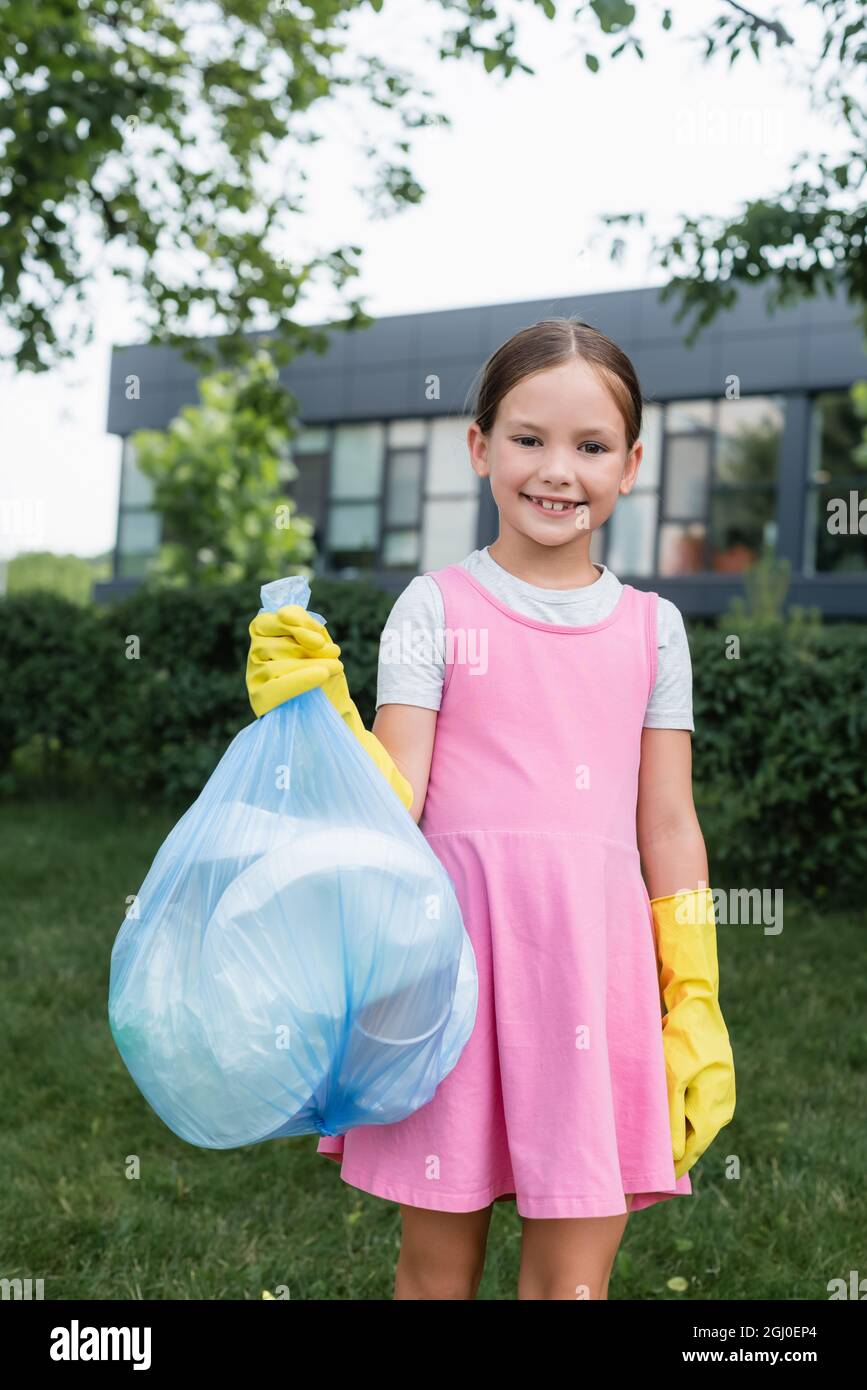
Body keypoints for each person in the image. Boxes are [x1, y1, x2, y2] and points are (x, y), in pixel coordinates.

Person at [245, 317, 736, 1300]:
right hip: (450, 976)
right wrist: (322, 722)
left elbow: (670, 824)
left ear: (633, 464)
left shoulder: (655, 630)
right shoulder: (434, 608)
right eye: (528, 438)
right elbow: (396, 800)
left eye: (592, 446)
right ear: (479, 447)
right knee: (435, 1272)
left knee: (572, 1283)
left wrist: (696, 995)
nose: (559, 470)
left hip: (596, 979)